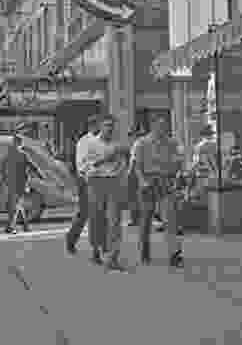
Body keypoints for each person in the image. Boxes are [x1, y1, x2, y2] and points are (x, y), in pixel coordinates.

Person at [132, 111, 184, 268]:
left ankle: (174, 254)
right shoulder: (141, 143)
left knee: (170, 220)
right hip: (148, 182)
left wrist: (175, 177)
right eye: (159, 125)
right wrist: (142, 181)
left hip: (166, 182)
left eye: (164, 125)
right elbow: (135, 164)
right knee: (146, 220)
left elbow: (179, 162)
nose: (163, 128)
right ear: (153, 125)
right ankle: (144, 251)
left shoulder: (172, 143)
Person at [85, 114, 128, 271]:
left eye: (112, 125)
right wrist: (103, 160)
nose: (109, 128)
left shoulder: (117, 145)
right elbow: (84, 167)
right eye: (107, 125)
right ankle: (96, 250)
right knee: (97, 218)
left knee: (115, 221)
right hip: (97, 182)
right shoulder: (91, 144)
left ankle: (113, 258)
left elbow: (123, 165)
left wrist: (120, 174)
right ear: (100, 126)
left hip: (114, 183)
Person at [65, 115, 101, 255]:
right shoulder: (84, 142)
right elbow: (81, 165)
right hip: (86, 181)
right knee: (85, 213)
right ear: (92, 126)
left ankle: (99, 246)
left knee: (99, 214)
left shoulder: (101, 140)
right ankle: (71, 240)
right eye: (98, 125)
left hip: (100, 180)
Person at [2, 134, 30, 234]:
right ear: (20, 144)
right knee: (16, 205)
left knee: (15, 205)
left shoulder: (8, 154)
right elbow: (30, 167)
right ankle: (16, 226)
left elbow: (2, 167)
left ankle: (14, 226)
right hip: (20, 183)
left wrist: (5, 179)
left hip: (11, 183)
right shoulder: (23, 154)